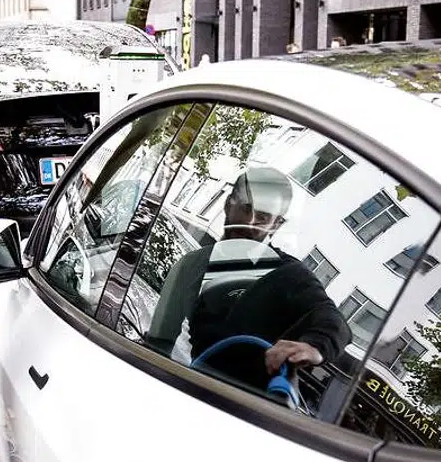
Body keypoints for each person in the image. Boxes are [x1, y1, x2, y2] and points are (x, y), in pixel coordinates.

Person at [146, 165, 351, 396]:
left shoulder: (290, 274)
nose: (249, 222)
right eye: (246, 208)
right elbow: (158, 343)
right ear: (228, 204)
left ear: (276, 225)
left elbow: (333, 320)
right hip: (192, 391)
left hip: (251, 406)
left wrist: (314, 346)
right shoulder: (190, 266)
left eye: (262, 217)